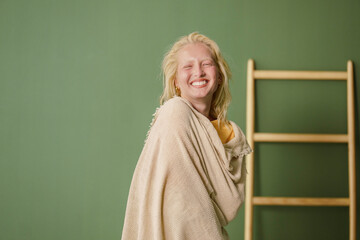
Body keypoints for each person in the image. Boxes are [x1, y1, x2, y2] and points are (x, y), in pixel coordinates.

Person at [121, 32, 252, 240]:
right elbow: (179, 201)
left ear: (218, 77)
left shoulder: (231, 134)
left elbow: (229, 206)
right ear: (176, 82)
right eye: (188, 66)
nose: (198, 72)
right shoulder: (174, 114)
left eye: (206, 64)